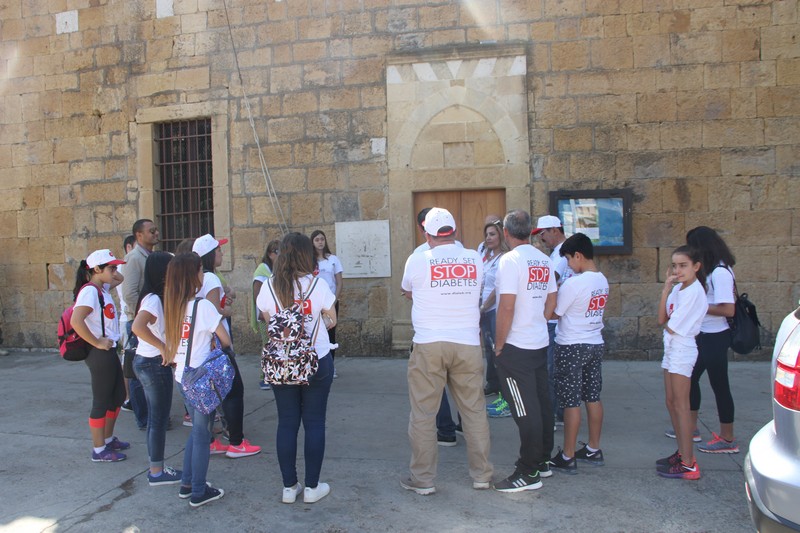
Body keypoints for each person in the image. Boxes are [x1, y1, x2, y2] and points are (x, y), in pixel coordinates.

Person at [399, 207, 493, 495]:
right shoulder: (474, 258)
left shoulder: (418, 259)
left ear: (427, 234)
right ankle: (482, 475)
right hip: (467, 343)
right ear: (454, 231)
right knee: (474, 411)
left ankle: (423, 479)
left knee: (423, 414)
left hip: (429, 343)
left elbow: (408, 290)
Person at [256, 233, 338, 504]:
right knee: (314, 422)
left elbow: (269, 321)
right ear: (306, 255)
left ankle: (289, 487)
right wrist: (319, 323)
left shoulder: (268, 286)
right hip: (317, 358)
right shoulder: (318, 285)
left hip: (282, 362)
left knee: (287, 422)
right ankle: (313, 487)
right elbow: (332, 318)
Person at [492, 209, 557, 492]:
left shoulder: (510, 260)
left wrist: (499, 345)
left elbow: (506, 306)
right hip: (538, 341)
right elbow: (552, 299)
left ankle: (528, 472)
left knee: (523, 408)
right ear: (529, 231)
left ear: (506, 233)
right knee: (541, 404)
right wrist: (537, 322)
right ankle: (542, 461)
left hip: (516, 346)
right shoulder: (543, 259)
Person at [163, 253, 230, 507]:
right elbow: (225, 340)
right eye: (201, 270)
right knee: (202, 434)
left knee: (197, 432)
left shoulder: (172, 305)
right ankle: (199, 491)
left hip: (182, 376)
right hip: (201, 378)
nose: (203, 274)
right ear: (193, 275)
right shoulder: (202, 306)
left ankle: (187, 483)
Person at [193, 233, 261, 459]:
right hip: (217, 343)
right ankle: (236, 442)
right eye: (218, 250)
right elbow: (212, 312)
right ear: (209, 255)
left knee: (210, 395)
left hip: (201, 344)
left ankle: (211, 440)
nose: (222, 253)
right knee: (234, 391)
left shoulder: (196, 279)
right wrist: (226, 311)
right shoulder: (211, 279)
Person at [547, 233, 609, 474]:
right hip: (594, 342)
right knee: (593, 396)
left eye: (568, 259)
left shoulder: (574, 284)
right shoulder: (602, 280)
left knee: (570, 401)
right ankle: (594, 448)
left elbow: (555, 313)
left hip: (571, 345)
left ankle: (568, 454)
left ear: (578, 256)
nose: (568, 265)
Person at [70, 249, 129, 462]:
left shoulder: (101, 288)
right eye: (111, 268)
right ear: (96, 269)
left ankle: (108, 438)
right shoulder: (90, 292)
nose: (115, 271)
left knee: (117, 396)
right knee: (102, 400)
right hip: (98, 352)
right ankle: (98, 449)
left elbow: (120, 279)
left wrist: (111, 270)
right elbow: (76, 321)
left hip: (108, 349)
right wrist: (96, 342)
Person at [684, 226, 739, 453]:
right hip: (704, 334)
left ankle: (727, 438)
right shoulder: (711, 270)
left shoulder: (720, 272)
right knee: (690, 379)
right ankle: (691, 428)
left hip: (716, 336)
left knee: (719, 385)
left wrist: (699, 305)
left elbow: (728, 309)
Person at [656, 245, 708, 480]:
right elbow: (661, 319)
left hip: (683, 348)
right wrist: (666, 289)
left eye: (683, 265)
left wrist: (668, 322)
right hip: (671, 346)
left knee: (681, 405)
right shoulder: (678, 289)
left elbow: (671, 325)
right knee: (671, 401)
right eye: (675, 265)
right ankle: (681, 452)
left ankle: (689, 462)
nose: (678, 270)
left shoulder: (695, 291)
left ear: (696, 266)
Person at [411, 207, 462, 446]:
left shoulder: (418, 255)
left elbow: (409, 289)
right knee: (462, 384)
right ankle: (463, 425)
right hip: (462, 332)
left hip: (432, 334)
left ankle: (446, 429)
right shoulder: (463, 251)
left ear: (423, 229)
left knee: (433, 386)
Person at [131, 251, 183, 486]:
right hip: (152, 363)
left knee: (157, 418)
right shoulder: (153, 299)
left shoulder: (158, 297)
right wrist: (162, 347)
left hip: (151, 362)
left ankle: (157, 468)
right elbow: (137, 327)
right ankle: (156, 471)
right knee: (158, 419)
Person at [532, 215, 574, 427]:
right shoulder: (558, 253)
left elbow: (549, 281)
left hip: (555, 321)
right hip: (555, 319)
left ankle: (555, 414)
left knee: (551, 370)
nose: (541, 238)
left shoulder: (562, 254)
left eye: (543, 234)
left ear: (555, 230)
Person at [122, 219, 160, 429]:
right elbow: (130, 294)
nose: (156, 233)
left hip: (149, 321)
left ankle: (153, 414)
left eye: (156, 230)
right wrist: (144, 315)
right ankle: (144, 418)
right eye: (151, 231)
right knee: (139, 373)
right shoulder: (134, 259)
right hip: (139, 322)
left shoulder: (150, 256)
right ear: (139, 235)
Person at [480, 219, 509, 400]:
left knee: (498, 350)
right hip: (484, 310)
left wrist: (484, 307)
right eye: (486, 235)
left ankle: (503, 390)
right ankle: (492, 383)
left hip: (494, 310)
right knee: (489, 350)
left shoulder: (504, 259)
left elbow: (498, 288)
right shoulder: (487, 257)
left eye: (492, 234)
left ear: (500, 235)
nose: (488, 238)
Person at [311, 230, 343, 370]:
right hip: (314, 305)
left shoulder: (333, 259)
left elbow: (339, 283)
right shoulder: (309, 261)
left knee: (330, 334)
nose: (320, 242)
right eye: (317, 240)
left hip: (330, 303)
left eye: (322, 239)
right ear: (312, 242)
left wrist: (334, 301)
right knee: (315, 333)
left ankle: (330, 366)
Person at [252, 239, 281, 390]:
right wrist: (263, 313)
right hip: (265, 316)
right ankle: (265, 377)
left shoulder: (277, 269)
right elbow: (257, 294)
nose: (281, 254)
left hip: (276, 314)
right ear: (270, 254)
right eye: (277, 252)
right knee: (268, 345)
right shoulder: (262, 271)